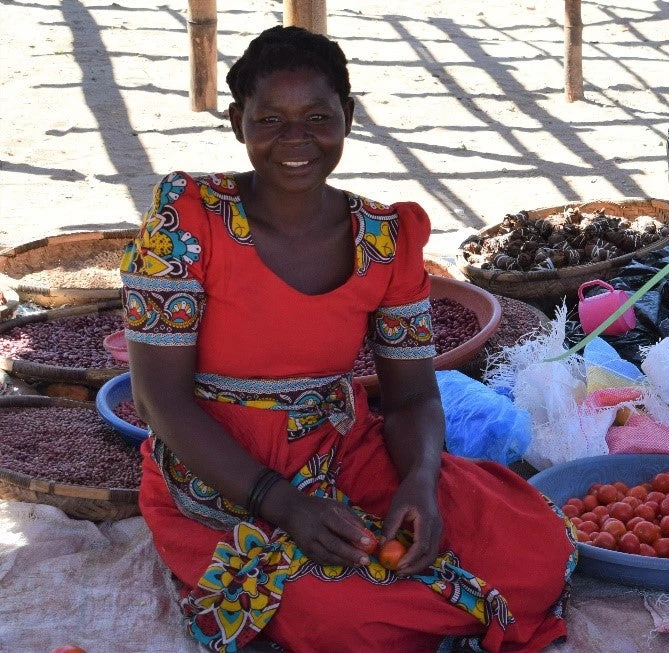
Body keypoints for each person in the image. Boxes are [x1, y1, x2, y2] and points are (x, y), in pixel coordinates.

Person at [123, 26, 576, 653]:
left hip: (341, 448)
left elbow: (413, 395)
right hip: (219, 471)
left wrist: (419, 482)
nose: (295, 139)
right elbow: (158, 401)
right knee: (341, 617)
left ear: (349, 117)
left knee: (533, 545)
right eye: (269, 119)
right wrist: (280, 503)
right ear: (236, 122)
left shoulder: (385, 239)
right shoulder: (186, 222)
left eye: (317, 117)